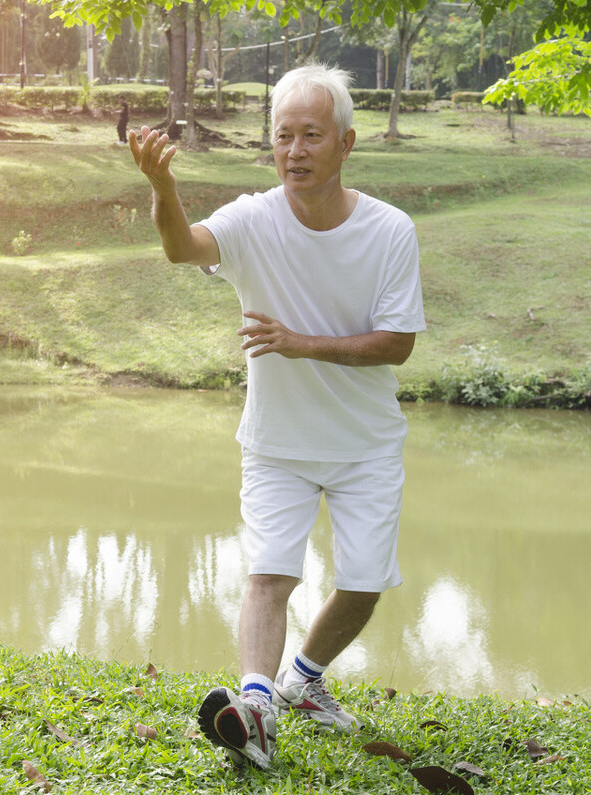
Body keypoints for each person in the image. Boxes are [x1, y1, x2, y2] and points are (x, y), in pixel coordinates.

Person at [128, 62, 426, 771]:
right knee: (269, 573)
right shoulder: (252, 218)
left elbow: (398, 343)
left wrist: (299, 343)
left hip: (365, 443)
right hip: (277, 443)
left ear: (346, 143)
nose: (294, 150)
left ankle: (305, 679)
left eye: (311, 135)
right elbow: (180, 247)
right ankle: (257, 704)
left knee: (364, 580)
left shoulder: (389, 231)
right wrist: (163, 190)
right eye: (282, 136)